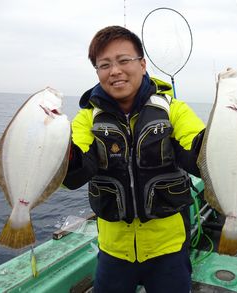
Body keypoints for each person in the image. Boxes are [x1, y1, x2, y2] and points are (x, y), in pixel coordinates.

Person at [63, 25, 205, 293]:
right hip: (114, 251)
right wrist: (54, 148)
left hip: (169, 250)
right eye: (104, 65)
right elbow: (73, 173)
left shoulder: (174, 111)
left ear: (142, 64)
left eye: (123, 60)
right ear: (97, 72)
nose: (114, 71)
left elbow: (202, 155)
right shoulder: (86, 119)